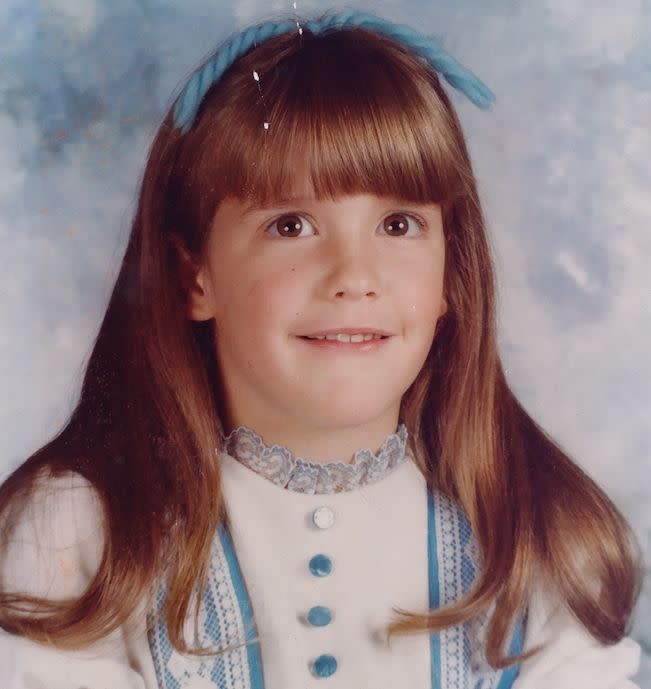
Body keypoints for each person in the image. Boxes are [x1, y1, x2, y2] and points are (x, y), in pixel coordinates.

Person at [0, 9, 643, 689]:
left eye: (398, 224)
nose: (354, 276)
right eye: (292, 223)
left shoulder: (528, 534)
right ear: (196, 275)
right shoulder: (86, 533)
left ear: (448, 277)